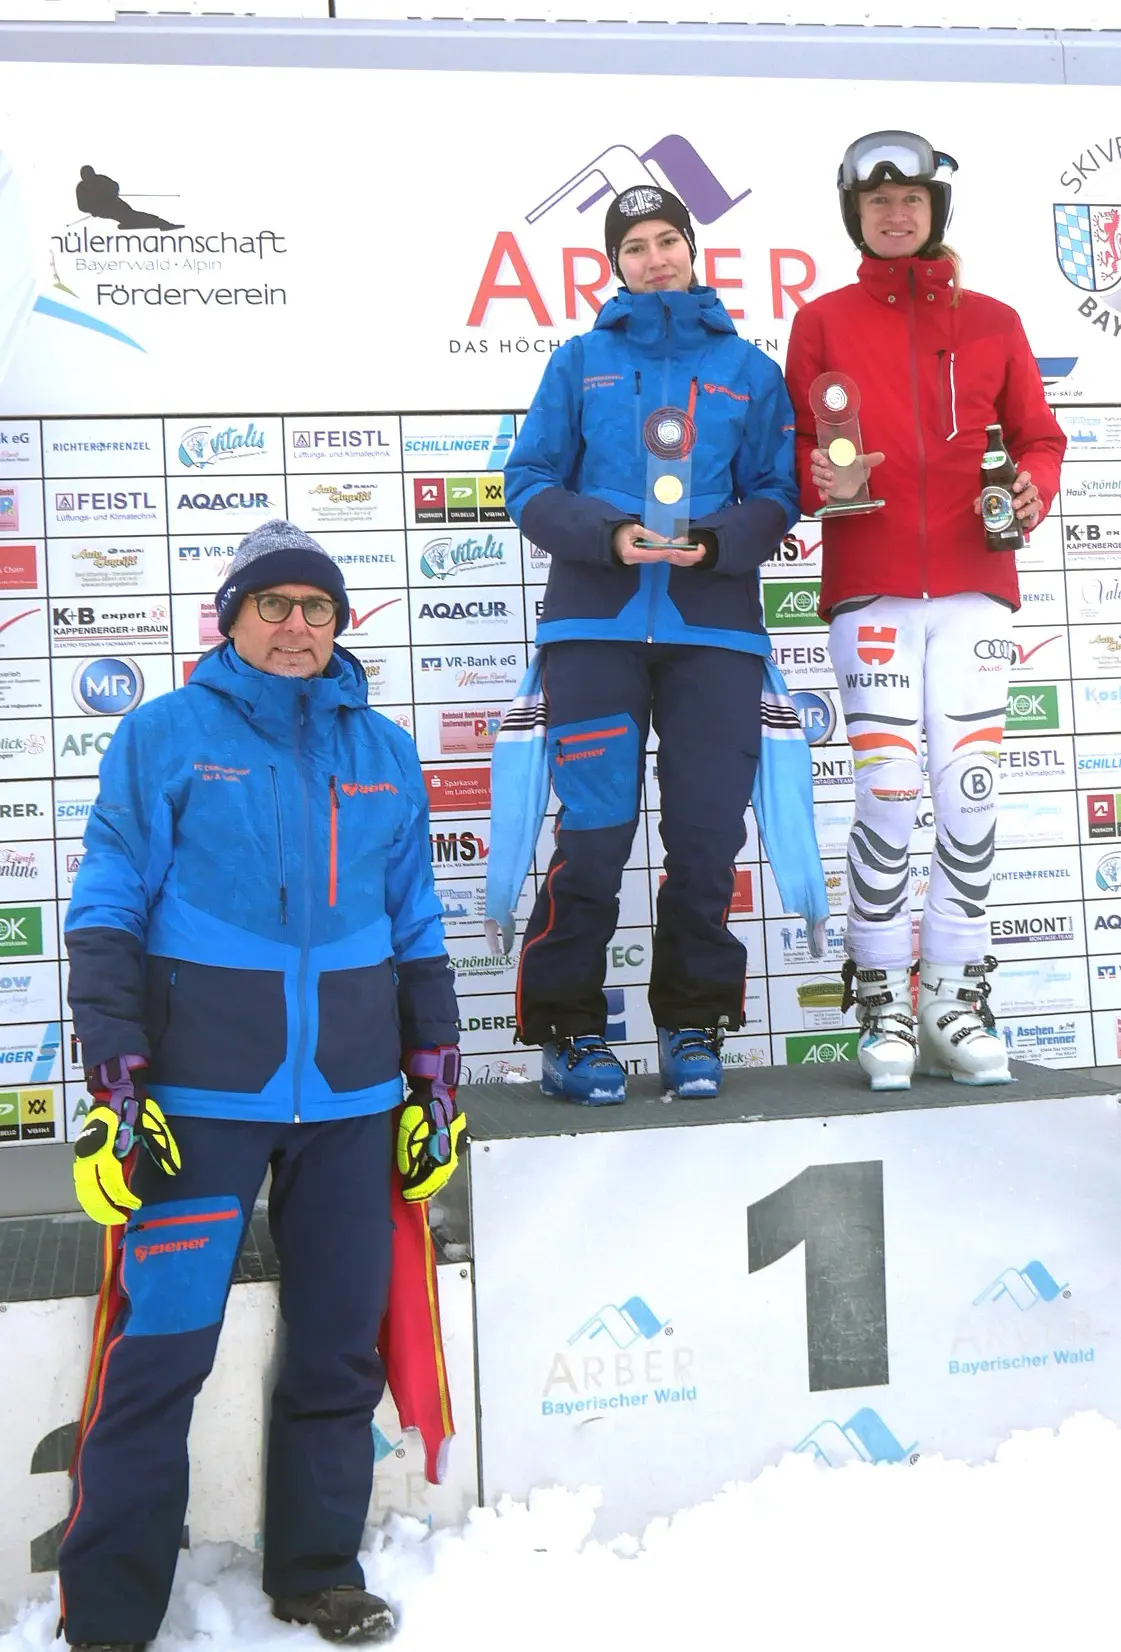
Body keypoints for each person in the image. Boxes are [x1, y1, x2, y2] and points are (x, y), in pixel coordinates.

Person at [58, 520, 464, 1650]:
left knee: (338, 1348)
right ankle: (110, 1612)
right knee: (159, 1359)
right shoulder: (165, 734)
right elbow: (106, 903)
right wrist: (113, 1074)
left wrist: (430, 1076)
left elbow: (415, 919)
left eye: (317, 608)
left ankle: (316, 1568)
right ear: (229, 618)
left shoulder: (382, 747)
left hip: (349, 1099)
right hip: (199, 1103)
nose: (297, 626)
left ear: (340, 625)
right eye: (274, 605)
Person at [503, 185, 800, 1104]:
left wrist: (713, 542)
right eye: (635, 246)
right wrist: (607, 535)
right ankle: (567, 1034)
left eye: (668, 239)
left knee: (707, 842)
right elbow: (529, 481)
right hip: (594, 628)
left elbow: (777, 494)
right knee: (592, 837)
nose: (655, 257)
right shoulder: (578, 361)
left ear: (691, 248)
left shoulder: (748, 369)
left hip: (713, 632)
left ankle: (693, 1025)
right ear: (615, 264)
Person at [784, 130, 1067, 1091]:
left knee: (971, 797)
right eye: (876, 204)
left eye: (909, 200)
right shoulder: (821, 320)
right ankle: (881, 999)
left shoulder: (993, 319)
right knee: (888, 796)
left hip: (974, 587)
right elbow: (793, 450)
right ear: (854, 218)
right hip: (870, 589)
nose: (893, 214)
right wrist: (814, 475)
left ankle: (953, 994)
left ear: (934, 211)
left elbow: (1038, 437)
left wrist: (1031, 487)